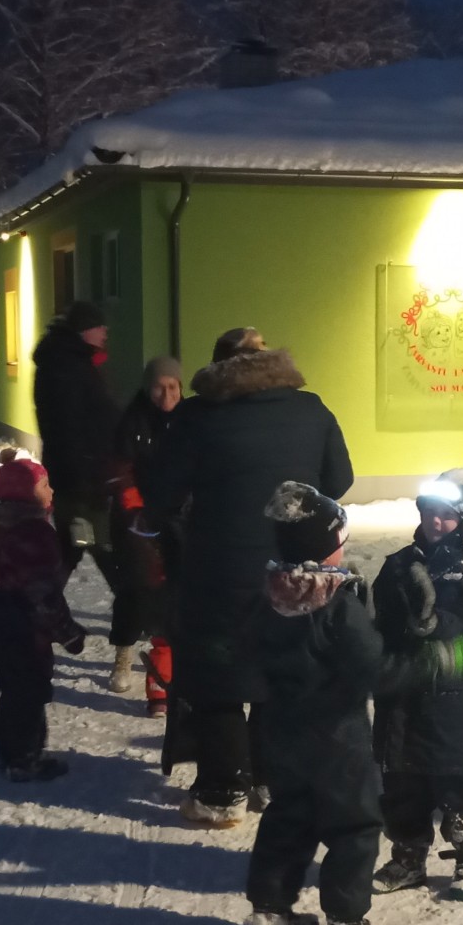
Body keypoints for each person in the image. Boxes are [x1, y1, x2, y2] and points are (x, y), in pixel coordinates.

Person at [142, 329, 353, 828]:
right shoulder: (311, 409)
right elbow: (339, 479)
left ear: (218, 368)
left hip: (221, 568)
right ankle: (268, 777)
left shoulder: (199, 416)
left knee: (219, 677)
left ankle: (222, 790)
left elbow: (161, 489)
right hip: (294, 564)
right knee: (279, 672)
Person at [246, 482, 393, 925]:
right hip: (338, 735)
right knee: (354, 824)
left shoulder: (267, 597)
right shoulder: (338, 607)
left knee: (288, 815)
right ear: (326, 548)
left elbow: (250, 654)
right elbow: (371, 664)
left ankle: (270, 914)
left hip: (280, 731)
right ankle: (346, 919)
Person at [370, 469, 463, 902]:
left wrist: (435, 622)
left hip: (454, 704)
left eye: (446, 514)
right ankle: (408, 856)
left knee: (456, 787)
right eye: (429, 512)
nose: (436, 521)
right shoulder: (398, 565)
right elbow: (380, 622)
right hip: (402, 698)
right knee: (401, 787)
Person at [31, 299, 139, 660]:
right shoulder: (67, 367)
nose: (105, 331)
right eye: (99, 326)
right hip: (84, 478)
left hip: (83, 474)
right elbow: (70, 428)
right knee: (102, 548)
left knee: (75, 546)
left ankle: (40, 610)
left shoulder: (70, 362)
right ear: (83, 331)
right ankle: (135, 614)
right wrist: (88, 475)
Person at [0, 449, 87, 782]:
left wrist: (66, 554)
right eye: (44, 485)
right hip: (22, 621)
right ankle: (24, 759)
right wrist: (68, 633)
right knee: (30, 690)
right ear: (26, 493)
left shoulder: (8, 526)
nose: (51, 491)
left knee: (14, 686)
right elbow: (42, 593)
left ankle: (8, 751)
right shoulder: (34, 533)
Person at [109, 355, 184, 714]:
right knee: (136, 591)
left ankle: (166, 677)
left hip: (179, 520)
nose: (166, 394)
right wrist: (134, 508)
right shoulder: (132, 421)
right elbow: (120, 468)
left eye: (172, 386)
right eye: (158, 387)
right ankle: (124, 651)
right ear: (147, 388)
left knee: (173, 596)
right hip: (137, 522)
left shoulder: (191, 420)